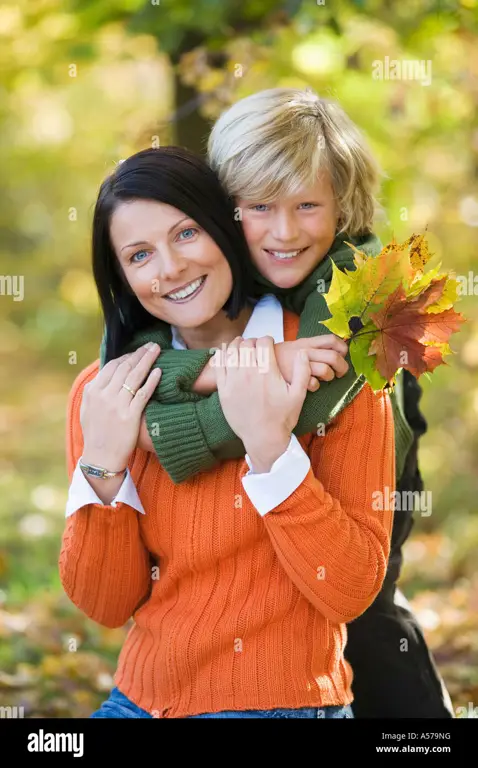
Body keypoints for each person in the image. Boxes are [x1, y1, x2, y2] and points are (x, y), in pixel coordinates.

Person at [112, 88, 454, 718]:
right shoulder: (215, 268)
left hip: (376, 444)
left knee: (369, 615)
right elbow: (153, 361)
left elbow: (303, 405)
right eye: (259, 206)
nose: (285, 230)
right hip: (281, 454)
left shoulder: (367, 285)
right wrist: (226, 369)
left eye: (307, 206)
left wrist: (167, 433)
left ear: (342, 203)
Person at [59, 146, 395, 718]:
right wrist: (104, 469)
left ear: (227, 228)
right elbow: (107, 605)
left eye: (186, 234)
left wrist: (270, 449)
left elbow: (349, 589)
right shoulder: (108, 392)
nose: (169, 268)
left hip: (282, 704)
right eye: (139, 255)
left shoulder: (328, 366)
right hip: (138, 701)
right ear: (122, 277)